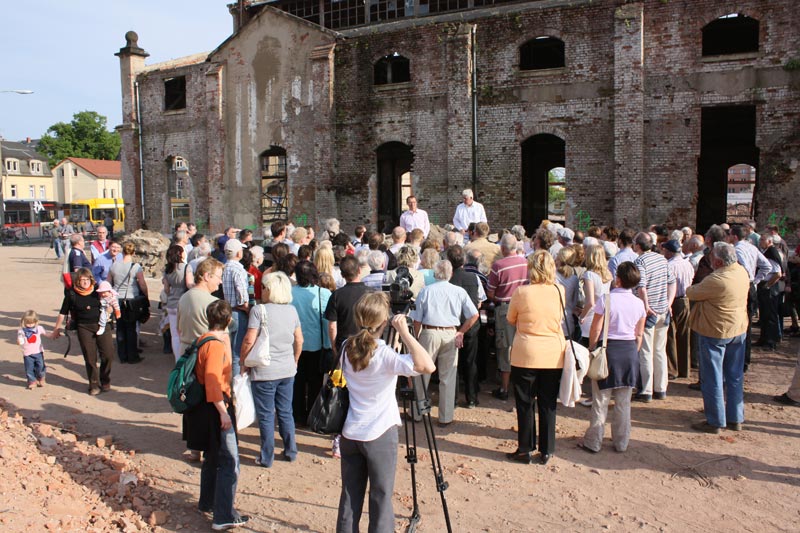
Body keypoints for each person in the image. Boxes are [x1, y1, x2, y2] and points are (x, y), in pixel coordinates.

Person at [336, 292, 435, 533]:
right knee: (380, 496)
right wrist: (405, 332)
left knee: (350, 496)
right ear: (384, 321)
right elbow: (426, 365)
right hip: (379, 433)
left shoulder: (346, 348)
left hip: (351, 431)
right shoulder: (384, 354)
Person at [183, 300, 249, 530]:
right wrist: (223, 412)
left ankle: (207, 502)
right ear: (229, 320)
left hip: (207, 406)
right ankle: (223, 514)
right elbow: (212, 380)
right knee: (230, 461)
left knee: (212, 456)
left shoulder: (204, 339)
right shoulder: (216, 346)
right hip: (217, 406)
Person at [505, 251, 566, 465]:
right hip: (552, 353)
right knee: (548, 402)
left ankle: (525, 448)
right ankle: (547, 449)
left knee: (525, 402)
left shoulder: (522, 292)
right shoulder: (560, 290)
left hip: (527, 352)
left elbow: (510, 318)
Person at [579, 262, 646, 453]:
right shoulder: (639, 303)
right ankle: (621, 442)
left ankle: (594, 441)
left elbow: (596, 328)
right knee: (623, 403)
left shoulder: (606, 300)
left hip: (608, 350)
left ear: (618, 279)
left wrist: (592, 347)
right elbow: (639, 334)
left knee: (600, 401)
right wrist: (634, 349)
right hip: (629, 352)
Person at [240, 271, 302, 467]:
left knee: (266, 415)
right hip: (287, 369)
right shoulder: (292, 310)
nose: (262, 290)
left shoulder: (259, 311)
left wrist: (243, 362)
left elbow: (249, 339)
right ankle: (290, 450)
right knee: (285, 411)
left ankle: (267, 456)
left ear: (271, 290)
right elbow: (299, 339)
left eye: (265, 287)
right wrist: (295, 360)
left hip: (264, 370)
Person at [686, 242, 749, 433]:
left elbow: (691, 292)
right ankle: (735, 418)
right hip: (738, 328)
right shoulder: (741, 271)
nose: (710, 260)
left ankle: (715, 421)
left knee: (712, 377)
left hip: (715, 330)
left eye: (712, 257)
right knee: (735, 376)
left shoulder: (717, 279)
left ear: (719, 262)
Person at [410, 260, 478, 425]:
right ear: (451, 274)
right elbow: (474, 314)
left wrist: (416, 338)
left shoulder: (426, 291)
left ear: (435, 274)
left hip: (430, 332)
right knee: (447, 376)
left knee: (421, 373)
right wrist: (461, 331)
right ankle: (446, 417)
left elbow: (417, 318)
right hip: (450, 332)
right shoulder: (458, 291)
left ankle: (417, 413)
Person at [52, 268, 115, 395]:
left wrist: (111, 309)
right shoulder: (72, 294)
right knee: (90, 357)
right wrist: (56, 328)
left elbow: (112, 300)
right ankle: (94, 384)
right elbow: (63, 312)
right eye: (82, 280)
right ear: (77, 281)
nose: (85, 282)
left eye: (87, 279)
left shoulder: (98, 290)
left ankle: (105, 379)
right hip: (83, 327)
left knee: (108, 354)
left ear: (91, 279)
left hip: (102, 325)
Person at [633, 232, 676, 402]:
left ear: (637, 245)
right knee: (659, 350)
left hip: (650, 312)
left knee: (646, 351)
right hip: (662, 310)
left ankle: (646, 390)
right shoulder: (661, 259)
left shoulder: (640, 261)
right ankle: (661, 387)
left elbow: (641, 287)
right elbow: (672, 281)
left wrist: (646, 306)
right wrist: (668, 303)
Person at [487, 234, 529, 400]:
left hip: (505, 307)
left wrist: (497, 298)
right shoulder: (526, 263)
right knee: (522, 344)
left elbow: (490, 292)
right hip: (524, 308)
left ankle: (504, 388)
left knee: (505, 347)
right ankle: (522, 385)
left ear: (502, 248)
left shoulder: (498, 265)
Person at [290, 261, 331, 425]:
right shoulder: (323, 293)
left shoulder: (290, 293)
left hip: (294, 345)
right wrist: (329, 345)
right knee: (315, 383)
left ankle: (298, 415)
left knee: (297, 382)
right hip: (317, 344)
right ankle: (313, 416)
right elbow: (328, 322)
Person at [447, 245, 485, 408]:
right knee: (470, 362)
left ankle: (453, 398)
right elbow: (480, 299)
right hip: (469, 324)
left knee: (452, 364)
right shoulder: (473, 278)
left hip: (453, 324)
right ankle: (471, 397)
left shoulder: (447, 279)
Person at [108, 242, 149, 364]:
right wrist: (146, 296)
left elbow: (108, 282)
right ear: (133, 253)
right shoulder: (136, 267)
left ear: (122, 252)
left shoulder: (114, 265)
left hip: (117, 299)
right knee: (131, 328)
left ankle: (122, 355)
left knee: (120, 327)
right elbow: (142, 283)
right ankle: (132, 355)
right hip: (131, 298)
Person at [325, 256, 373, 356]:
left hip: (345, 345)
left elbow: (332, 326)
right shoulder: (371, 293)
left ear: (342, 274)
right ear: (359, 270)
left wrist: (334, 346)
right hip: (368, 342)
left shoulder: (336, 295)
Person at [662, 239, 695, 379]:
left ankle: (672, 369)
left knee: (670, 335)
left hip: (673, 300)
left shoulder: (669, 266)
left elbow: (667, 285)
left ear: (669, 251)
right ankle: (684, 368)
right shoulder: (688, 264)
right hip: (686, 299)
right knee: (684, 334)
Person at [164, 244, 195, 360]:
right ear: (180, 254)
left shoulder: (167, 269)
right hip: (183, 302)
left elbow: (166, 289)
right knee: (184, 333)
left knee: (174, 335)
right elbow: (189, 284)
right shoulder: (187, 267)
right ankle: (184, 358)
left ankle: (177, 359)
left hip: (171, 303)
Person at [755, 233, 783, 350]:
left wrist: (767, 285)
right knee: (764, 314)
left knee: (770, 314)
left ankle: (770, 341)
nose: (760, 241)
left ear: (769, 241)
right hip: (765, 286)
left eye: (762, 239)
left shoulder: (772, 252)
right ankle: (764, 338)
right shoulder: (766, 251)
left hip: (770, 288)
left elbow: (777, 273)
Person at [18, 310, 56, 389]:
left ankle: (41, 378)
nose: (30, 325)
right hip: (27, 353)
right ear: (23, 322)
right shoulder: (21, 331)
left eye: (32, 323)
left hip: (38, 352)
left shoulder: (39, 328)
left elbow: (46, 333)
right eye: (27, 323)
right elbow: (20, 340)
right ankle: (32, 381)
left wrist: (53, 335)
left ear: (36, 322)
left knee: (40, 366)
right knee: (29, 368)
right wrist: (19, 341)